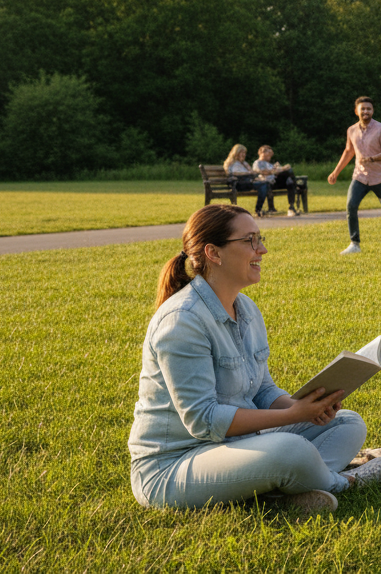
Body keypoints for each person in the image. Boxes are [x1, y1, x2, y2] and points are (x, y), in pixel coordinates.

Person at [128, 204, 368, 515]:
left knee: (348, 422)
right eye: (250, 241)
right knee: (290, 450)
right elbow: (204, 420)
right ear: (214, 253)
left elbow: (263, 390)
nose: (262, 250)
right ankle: (346, 481)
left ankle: (281, 486)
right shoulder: (182, 321)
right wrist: (293, 415)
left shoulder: (247, 309)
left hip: (234, 446)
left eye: (260, 239)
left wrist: (310, 407)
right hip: (172, 467)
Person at [329, 96, 381, 255]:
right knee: (351, 206)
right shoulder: (351, 130)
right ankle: (355, 244)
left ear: (373, 111)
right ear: (356, 111)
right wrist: (335, 172)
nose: (366, 111)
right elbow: (348, 152)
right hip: (360, 176)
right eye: (363, 109)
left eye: (369, 109)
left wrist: (373, 158)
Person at [223, 144, 272, 217]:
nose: (244, 155)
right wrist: (247, 173)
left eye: (244, 153)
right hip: (238, 183)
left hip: (247, 182)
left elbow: (251, 172)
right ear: (236, 153)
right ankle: (259, 210)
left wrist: (251, 172)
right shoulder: (231, 162)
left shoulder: (244, 163)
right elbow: (232, 173)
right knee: (263, 184)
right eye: (241, 152)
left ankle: (259, 209)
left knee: (264, 184)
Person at [253, 145, 299, 217]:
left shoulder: (269, 164)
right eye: (269, 153)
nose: (270, 155)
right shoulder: (257, 162)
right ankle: (291, 207)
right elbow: (261, 172)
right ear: (262, 153)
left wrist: (279, 169)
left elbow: (275, 172)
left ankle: (291, 207)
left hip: (275, 181)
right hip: (267, 183)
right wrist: (278, 170)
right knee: (288, 174)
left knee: (290, 180)